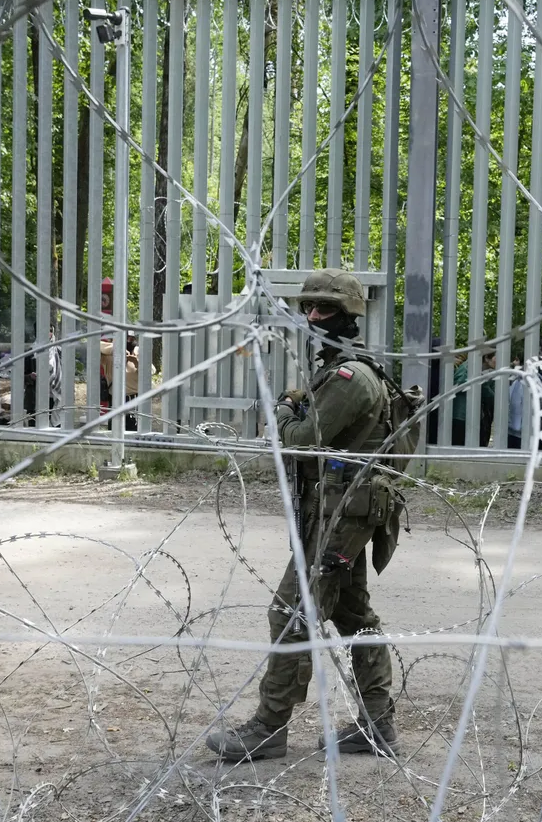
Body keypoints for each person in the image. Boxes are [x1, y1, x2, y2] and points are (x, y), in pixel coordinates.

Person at [206, 269, 401, 762]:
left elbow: (298, 441)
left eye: (326, 310)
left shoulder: (350, 376)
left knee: (293, 612)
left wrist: (287, 413)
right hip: (340, 510)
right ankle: (378, 725)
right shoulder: (340, 369)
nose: (314, 317)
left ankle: (269, 729)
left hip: (341, 514)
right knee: (352, 613)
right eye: (310, 308)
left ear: (348, 315)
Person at [94, 277, 142, 430]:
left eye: (131, 337)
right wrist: (117, 348)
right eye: (126, 337)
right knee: (114, 430)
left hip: (133, 400)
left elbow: (151, 371)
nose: (129, 340)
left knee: (133, 432)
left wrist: (135, 361)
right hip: (116, 398)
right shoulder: (110, 353)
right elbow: (95, 345)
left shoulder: (138, 351)